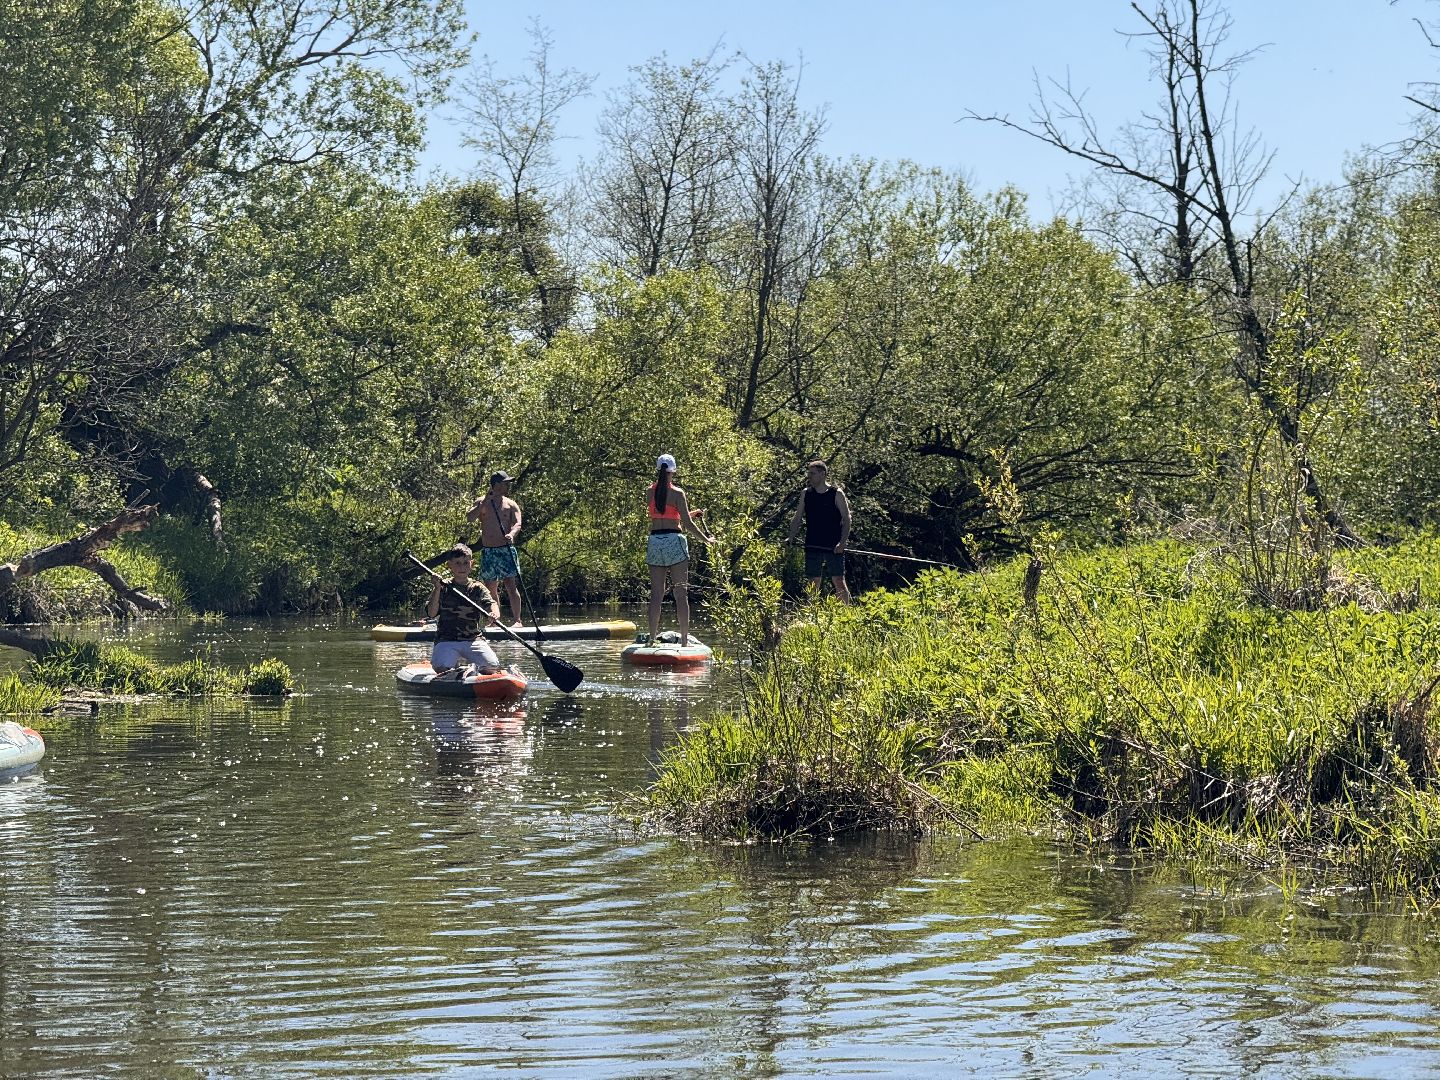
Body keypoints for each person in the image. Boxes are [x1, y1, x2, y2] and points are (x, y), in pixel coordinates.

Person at [644, 453, 715, 646]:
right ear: (673, 471)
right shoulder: (678, 493)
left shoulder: (650, 492)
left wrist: (690, 514)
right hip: (674, 542)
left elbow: (664, 515)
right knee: (680, 593)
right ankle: (684, 642)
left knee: (656, 594)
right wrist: (707, 540)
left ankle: (651, 638)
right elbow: (687, 524)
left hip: (655, 542)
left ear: (658, 469)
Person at [426, 544, 502, 677]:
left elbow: (491, 603)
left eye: (466, 563)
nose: (462, 567)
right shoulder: (443, 587)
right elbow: (431, 613)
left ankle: (471, 671)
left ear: (471, 564)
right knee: (442, 669)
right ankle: (453, 665)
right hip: (446, 640)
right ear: (450, 565)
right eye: (458, 563)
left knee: (491, 667)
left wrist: (494, 613)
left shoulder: (477, 587)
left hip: (473, 639)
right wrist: (437, 588)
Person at [787, 459, 853, 603]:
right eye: (808, 473)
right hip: (813, 543)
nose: (809, 477)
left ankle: (847, 615)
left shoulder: (837, 493)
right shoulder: (806, 493)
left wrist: (842, 543)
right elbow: (797, 517)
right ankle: (811, 614)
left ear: (823, 474)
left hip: (833, 545)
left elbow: (847, 519)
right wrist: (791, 537)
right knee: (813, 581)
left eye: (812, 473)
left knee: (838, 580)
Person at [468, 470, 524, 628]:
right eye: (505, 483)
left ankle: (517, 621)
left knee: (510, 585)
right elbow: (470, 518)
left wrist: (512, 534)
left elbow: (517, 523)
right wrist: (485, 501)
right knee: (491, 587)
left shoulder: (511, 504)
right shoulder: (481, 501)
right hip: (489, 551)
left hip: (506, 550)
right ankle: (495, 620)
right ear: (497, 484)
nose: (508, 485)